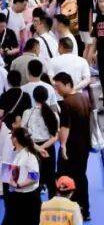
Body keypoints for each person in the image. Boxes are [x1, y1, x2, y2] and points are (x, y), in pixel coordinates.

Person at [53, 72, 91, 220]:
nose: (57, 90)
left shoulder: (66, 103)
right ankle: (84, 211)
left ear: (68, 84)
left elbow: (65, 127)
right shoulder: (84, 98)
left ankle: (70, 211)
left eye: (58, 86)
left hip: (72, 147)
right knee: (81, 176)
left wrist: (63, 145)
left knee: (66, 178)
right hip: (84, 145)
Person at [4, 127, 41, 225]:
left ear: (15, 139)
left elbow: (34, 177)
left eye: (12, 137)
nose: (10, 139)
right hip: (17, 196)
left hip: (28, 199)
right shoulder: (17, 154)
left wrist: (19, 185)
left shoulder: (29, 156)